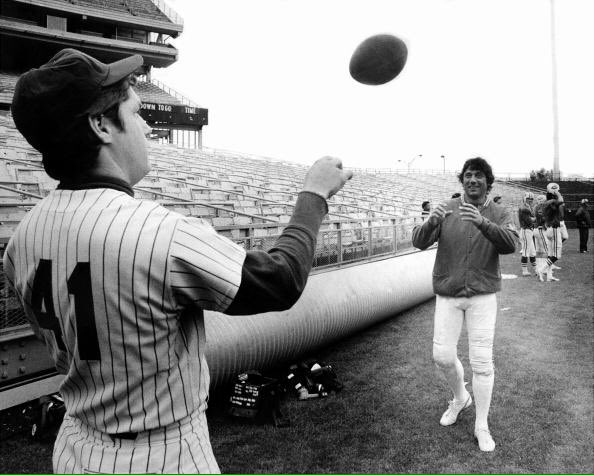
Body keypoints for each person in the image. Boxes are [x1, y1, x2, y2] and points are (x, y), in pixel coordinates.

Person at [3, 49, 352, 474]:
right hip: (162, 452)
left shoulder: (21, 239)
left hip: (76, 447)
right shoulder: (159, 231)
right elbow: (280, 282)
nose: (146, 125)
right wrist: (313, 196)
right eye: (134, 111)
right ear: (100, 125)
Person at [412, 157, 518, 452]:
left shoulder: (499, 211)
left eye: (479, 176)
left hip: (482, 294)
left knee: (482, 363)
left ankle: (481, 425)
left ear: (488, 181)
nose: (473, 180)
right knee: (442, 356)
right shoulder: (447, 208)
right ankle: (460, 398)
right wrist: (430, 222)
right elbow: (418, 242)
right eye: (468, 175)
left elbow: (510, 244)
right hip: (448, 293)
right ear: (462, 180)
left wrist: (483, 223)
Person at [518, 192, 537, 276]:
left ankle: (537, 270)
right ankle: (524, 271)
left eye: (531, 199)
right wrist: (538, 218)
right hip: (526, 230)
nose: (530, 200)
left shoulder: (528, 207)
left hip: (529, 231)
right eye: (528, 199)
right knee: (526, 251)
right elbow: (529, 220)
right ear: (524, 199)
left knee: (532, 252)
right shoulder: (524, 208)